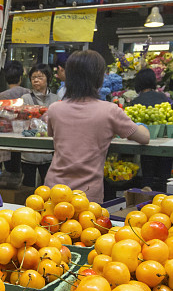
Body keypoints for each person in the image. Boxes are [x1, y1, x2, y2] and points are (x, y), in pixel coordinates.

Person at [44, 51, 150, 202]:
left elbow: (52, 135)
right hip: (87, 195)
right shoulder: (110, 111)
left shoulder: (55, 109)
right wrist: (140, 125)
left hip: (54, 190)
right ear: (99, 79)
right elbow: (144, 138)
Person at [20, 63, 60, 187]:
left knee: (49, 187)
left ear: (48, 79)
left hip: (48, 152)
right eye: (33, 78)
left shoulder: (56, 98)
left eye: (40, 77)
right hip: (29, 150)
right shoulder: (25, 98)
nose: (36, 80)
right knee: (28, 187)